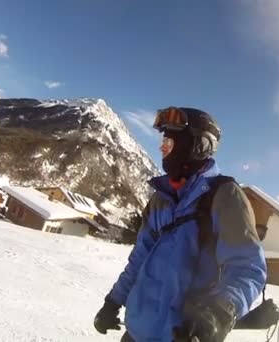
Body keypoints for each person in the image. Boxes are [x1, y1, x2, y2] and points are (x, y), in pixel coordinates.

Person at [94, 107, 267, 342]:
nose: (162, 147)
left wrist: (219, 314)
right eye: (163, 140)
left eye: (170, 140)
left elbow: (247, 268)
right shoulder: (161, 198)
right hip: (136, 333)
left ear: (198, 146)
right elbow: (139, 259)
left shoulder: (224, 196)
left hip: (183, 335)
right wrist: (113, 302)